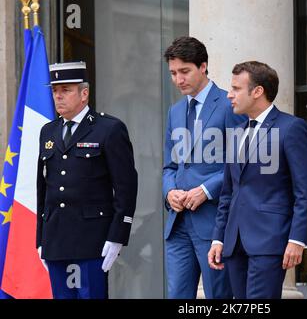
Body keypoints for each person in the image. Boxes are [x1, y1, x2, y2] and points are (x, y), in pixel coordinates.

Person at [208, 61, 307, 299]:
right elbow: (229, 192)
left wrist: (298, 239)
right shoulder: (236, 132)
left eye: (236, 88)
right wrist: (218, 237)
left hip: (269, 240)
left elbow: (305, 191)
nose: (229, 95)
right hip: (234, 242)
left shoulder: (292, 128)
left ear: (257, 92)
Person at [36, 61, 138, 299]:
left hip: (92, 239)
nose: (58, 97)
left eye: (66, 90)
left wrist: (117, 236)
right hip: (56, 239)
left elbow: (126, 187)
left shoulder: (108, 129)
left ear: (84, 93)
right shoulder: (48, 131)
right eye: (55, 91)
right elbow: (44, 187)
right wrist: (40, 238)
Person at [162, 37, 245, 299]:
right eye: (173, 73)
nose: (178, 80)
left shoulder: (229, 104)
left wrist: (206, 190)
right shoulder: (174, 111)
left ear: (203, 66)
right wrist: (169, 192)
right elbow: (169, 166)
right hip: (178, 224)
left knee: (218, 296)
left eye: (184, 71)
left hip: (214, 223)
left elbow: (242, 164)